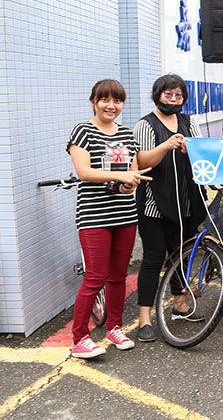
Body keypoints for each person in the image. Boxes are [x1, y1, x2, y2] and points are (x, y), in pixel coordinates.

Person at [67, 79, 152, 358]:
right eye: (105, 100)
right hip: (94, 216)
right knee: (94, 277)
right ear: (94, 101)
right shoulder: (83, 131)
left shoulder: (128, 135)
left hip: (125, 214)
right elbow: (84, 172)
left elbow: (131, 173)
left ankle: (114, 327)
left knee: (118, 276)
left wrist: (129, 184)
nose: (111, 106)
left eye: (117, 101)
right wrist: (121, 177)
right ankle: (80, 338)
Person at [134, 74, 207, 342]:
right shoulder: (146, 124)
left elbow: (203, 152)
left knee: (182, 256)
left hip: (186, 202)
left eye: (178, 95)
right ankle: (144, 319)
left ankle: (180, 305)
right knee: (153, 260)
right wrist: (165, 145)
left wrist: (193, 149)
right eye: (168, 94)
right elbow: (142, 160)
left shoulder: (189, 121)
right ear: (158, 95)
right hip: (154, 205)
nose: (174, 99)